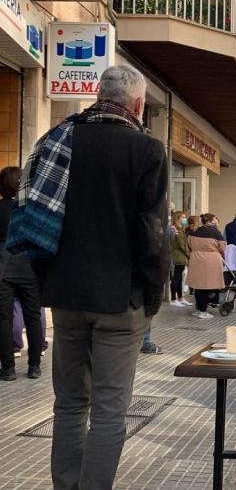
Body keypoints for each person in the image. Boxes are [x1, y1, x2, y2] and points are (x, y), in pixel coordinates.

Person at [8, 65, 169, 488]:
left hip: (66, 297)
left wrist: (48, 283)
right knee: (110, 411)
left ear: (100, 95)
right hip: (120, 301)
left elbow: (35, 218)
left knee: (69, 404)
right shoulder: (147, 150)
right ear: (138, 104)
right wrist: (153, 296)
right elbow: (152, 234)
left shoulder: (57, 139)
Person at [0, 166, 43, 381]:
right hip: (29, 268)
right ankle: (34, 366)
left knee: (4, 318)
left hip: (3, 269)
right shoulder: (31, 210)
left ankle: (7, 368)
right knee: (33, 317)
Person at [186, 213, 226, 319]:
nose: (215, 221)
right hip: (210, 262)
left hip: (196, 260)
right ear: (208, 221)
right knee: (206, 287)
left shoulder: (194, 231)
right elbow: (222, 248)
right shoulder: (216, 233)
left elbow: (188, 246)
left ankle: (198, 309)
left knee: (198, 287)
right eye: (214, 220)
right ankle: (203, 311)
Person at [170, 211, 191, 307]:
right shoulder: (176, 229)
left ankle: (180, 297)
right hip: (179, 256)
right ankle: (173, 299)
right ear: (177, 218)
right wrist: (189, 255)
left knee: (179, 278)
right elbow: (182, 245)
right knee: (176, 278)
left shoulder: (180, 229)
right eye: (182, 217)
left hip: (180, 256)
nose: (184, 219)